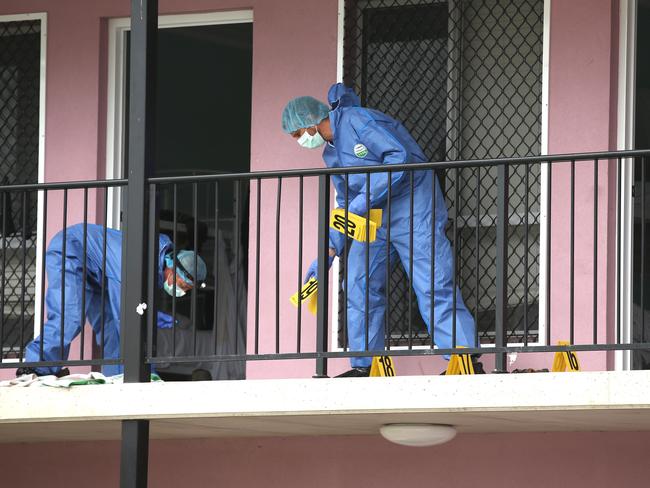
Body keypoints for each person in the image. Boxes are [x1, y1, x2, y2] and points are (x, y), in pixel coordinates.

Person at [282, 83, 481, 377]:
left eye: (298, 133)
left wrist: (361, 202)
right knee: (358, 284)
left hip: (413, 207)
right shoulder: (331, 154)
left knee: (432, 282)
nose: (299, 140)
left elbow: (398, 158)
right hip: (374, 218)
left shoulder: (358, 120)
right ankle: (367, 365)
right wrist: (330, 248)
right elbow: (344, 202)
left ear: (310, 121)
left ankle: (464, 360)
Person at [17, 223, 207, 377]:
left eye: (186, 290)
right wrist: (148, 372)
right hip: (71, 249)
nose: (180, 291)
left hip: (96, 271)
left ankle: (120, 378)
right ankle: (36, 367)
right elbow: (126, 314)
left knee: (110, 328)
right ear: (172, 268)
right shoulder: (138, 263)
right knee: (71, 315)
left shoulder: (153, 267)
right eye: (181, 285)